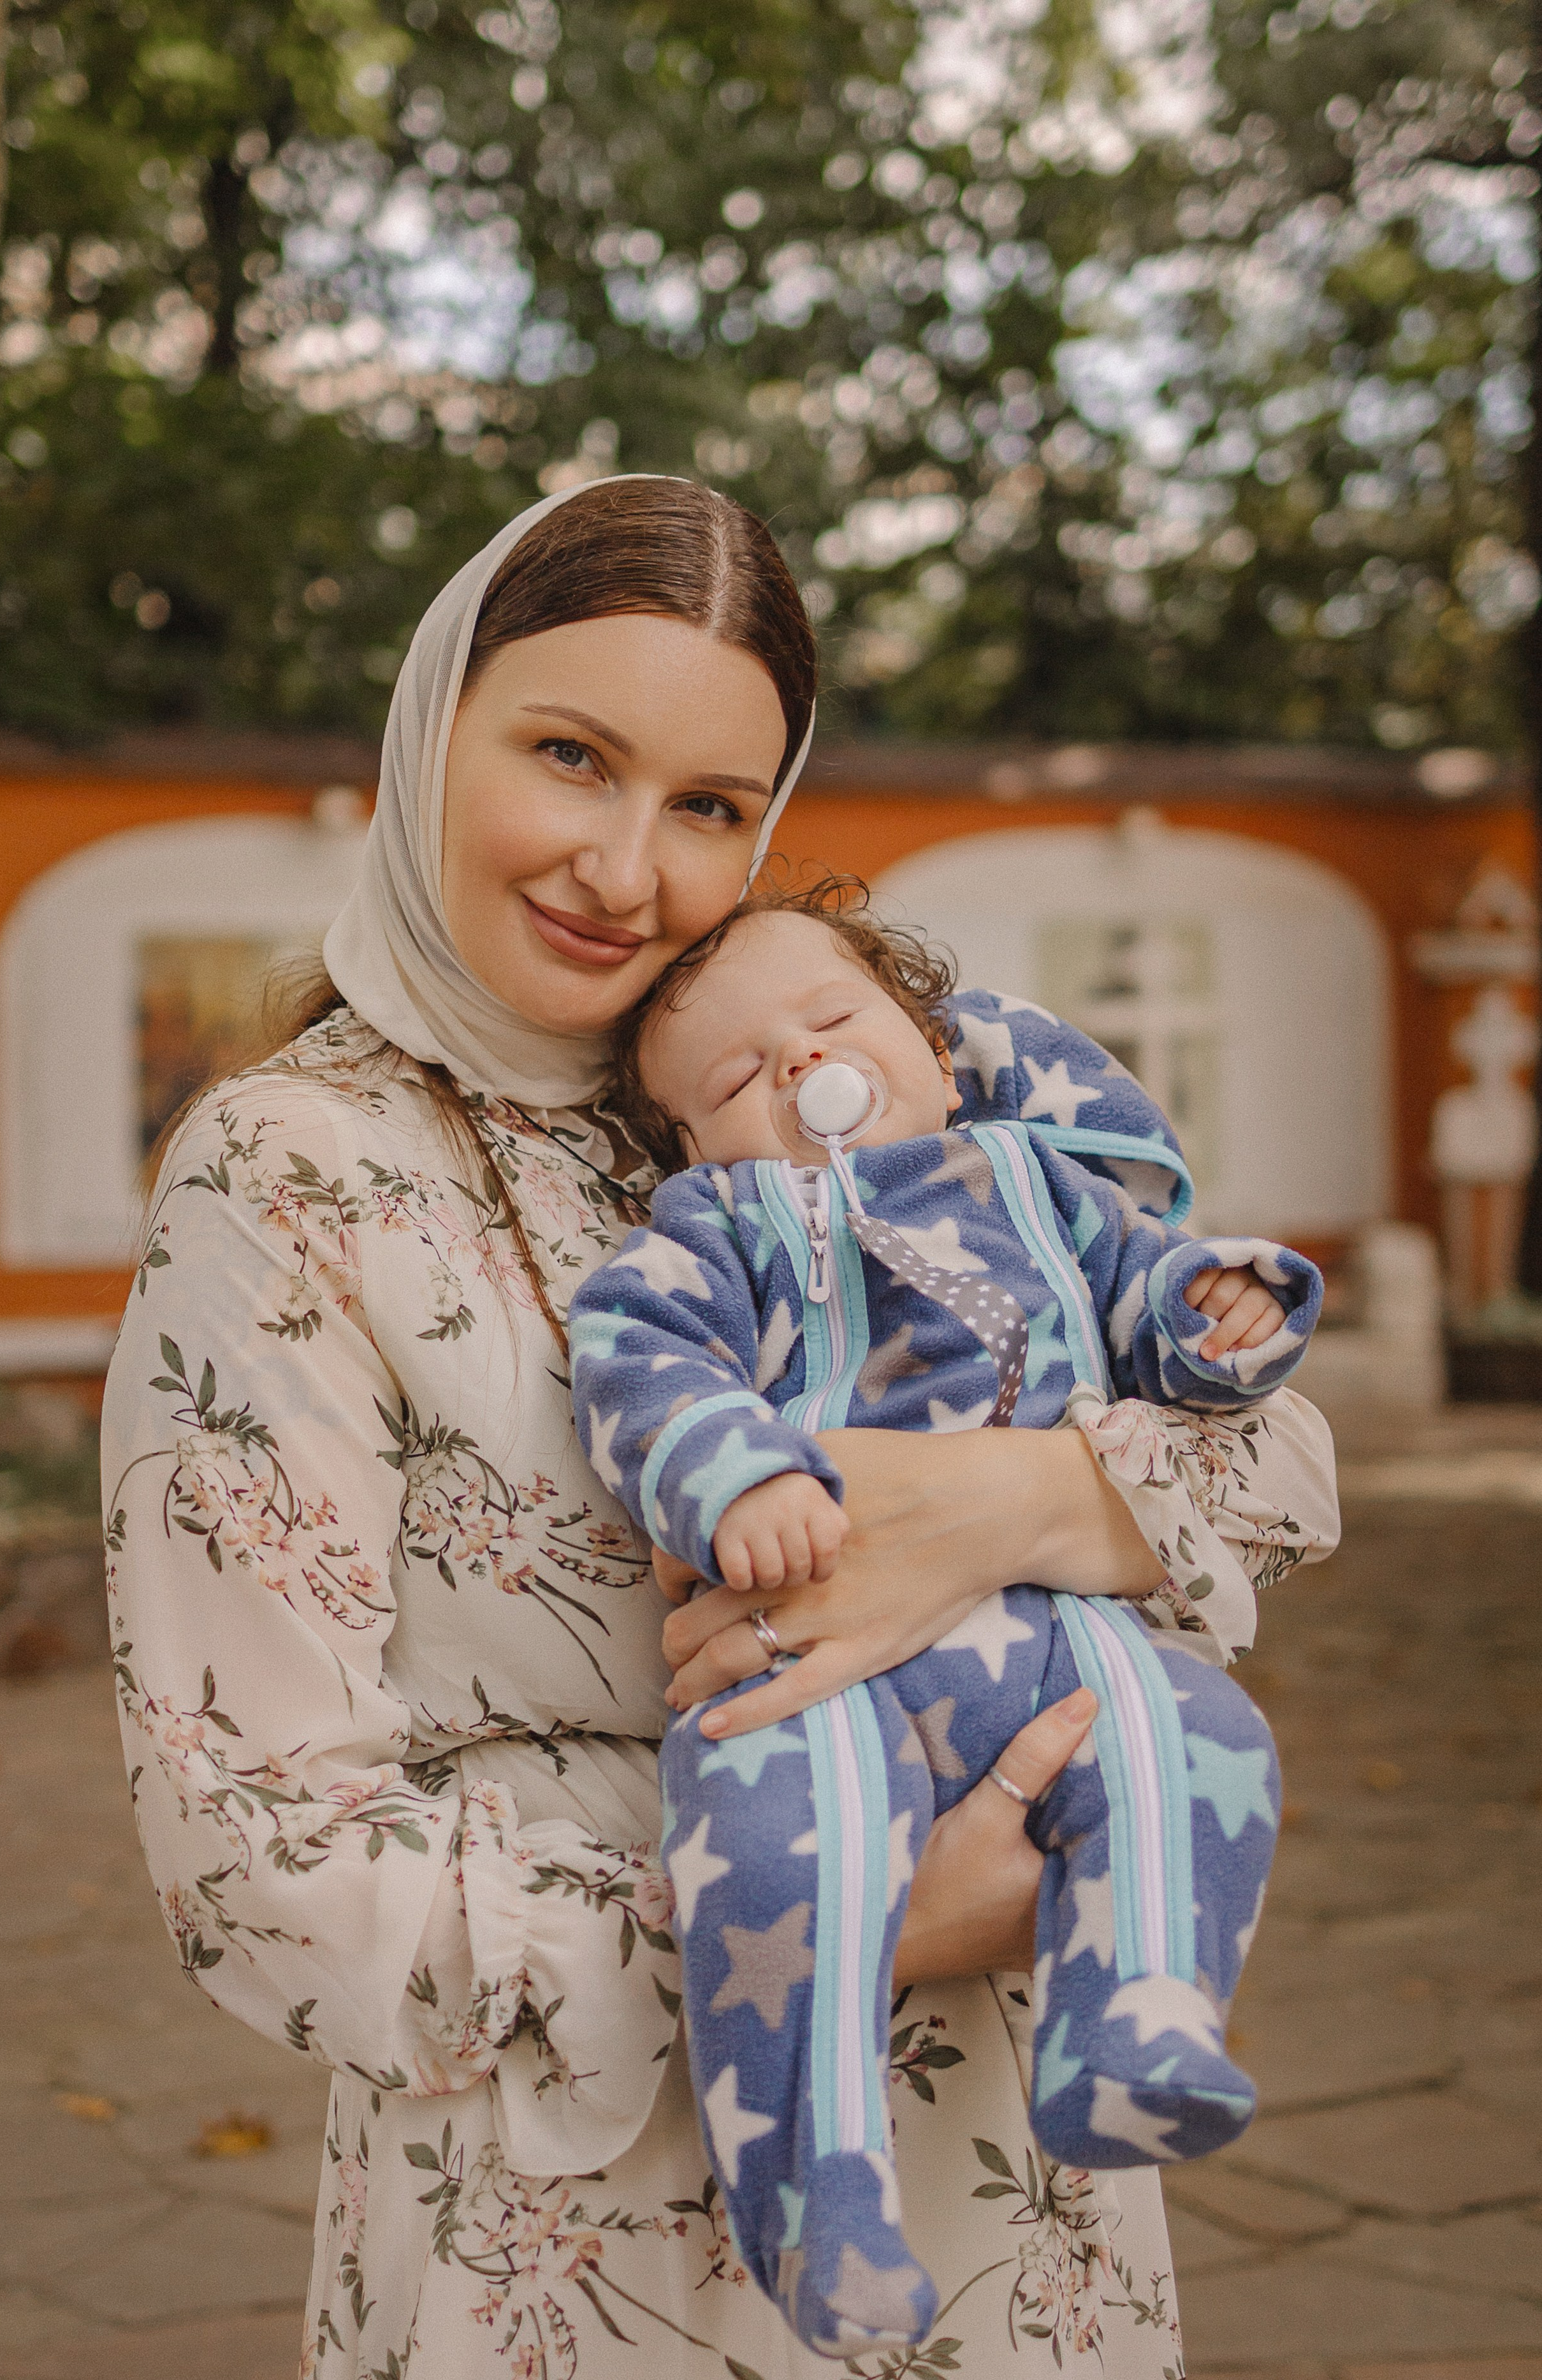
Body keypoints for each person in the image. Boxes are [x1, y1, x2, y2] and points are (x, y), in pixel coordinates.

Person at [101, 475, 1340, 2380]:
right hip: (591, 2227)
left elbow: (1276, 1455)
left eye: (707, 805)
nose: (625, 865)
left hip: (1025, 2188)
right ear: (434, 728)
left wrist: (1008, 1500)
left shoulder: (862, 1047)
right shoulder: (296, 1175)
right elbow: (262, 1854)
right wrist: (842, 1916)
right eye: (569, 755)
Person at [567, 881, 1320, 2357]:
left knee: (1202, 1734)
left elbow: (1155, 1310)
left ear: (921, 1034)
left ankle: (1139, 2018)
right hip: (817, 1679)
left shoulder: (1040, 1182)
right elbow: (637, 1363)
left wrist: (1222, 1314)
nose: (794, 1065)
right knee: (782, 1867)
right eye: (733, 1077)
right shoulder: (717, 1226)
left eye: (830, 1021)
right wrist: (735, 1474)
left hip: (1046, 1634)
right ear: (689, 1140)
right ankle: (813, 2197)